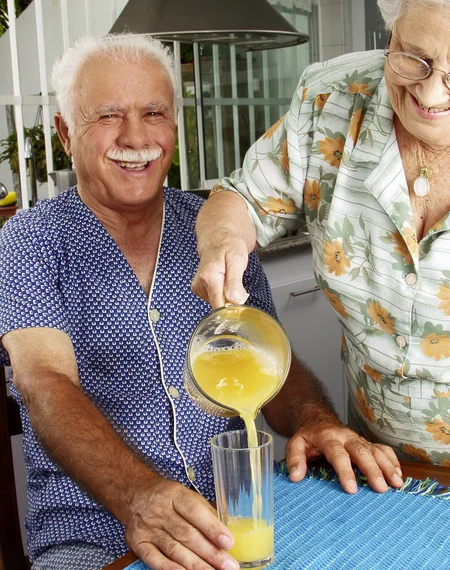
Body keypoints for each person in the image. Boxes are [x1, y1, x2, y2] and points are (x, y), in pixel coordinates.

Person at [0, 34, 402, 570]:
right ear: (65, 133)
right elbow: (43, 382)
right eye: (108, 116)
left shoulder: (215, 226)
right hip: (95, 533)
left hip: (234, 519)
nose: (136, 137)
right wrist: (138, 497)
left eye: (154, 113)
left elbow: (265, 359)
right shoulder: (29, 240)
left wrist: (315, 418)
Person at [193, 0, 450, 470]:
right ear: (391, 31)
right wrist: (225, 241)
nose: (433, 94)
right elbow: (240, 198)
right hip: (380, 468)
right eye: (414, 58)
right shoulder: (332, 100)